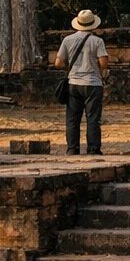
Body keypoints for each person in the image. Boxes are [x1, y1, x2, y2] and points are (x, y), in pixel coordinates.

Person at [56, 9, 109, 155]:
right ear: (93, 25)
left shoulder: (67, 40)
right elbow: (104, 63)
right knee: (93, 119)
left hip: (74, 82)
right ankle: (93, 149)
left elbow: (58, 63)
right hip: (93, 83)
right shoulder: (97, 41)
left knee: (72, 118)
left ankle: (73, 148)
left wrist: (72, 66)